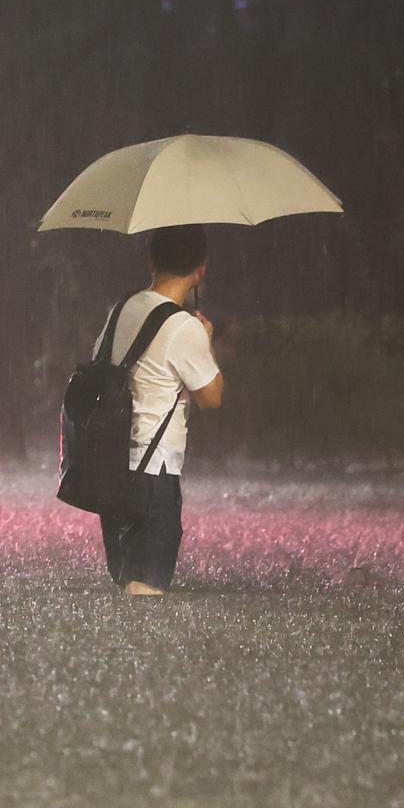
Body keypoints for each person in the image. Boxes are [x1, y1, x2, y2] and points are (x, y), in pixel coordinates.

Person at [97, 225, 226, 596]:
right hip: (154, 474)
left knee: (125, 583)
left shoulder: (119, 311)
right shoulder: (185, 328)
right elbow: (212, 398)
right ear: (201, 268)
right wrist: (207, 342)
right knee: (147, 592)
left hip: (112, 471)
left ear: (151, 260)